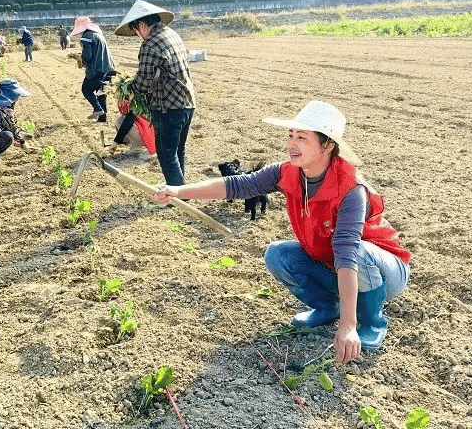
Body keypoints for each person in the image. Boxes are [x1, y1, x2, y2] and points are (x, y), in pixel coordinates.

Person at [150, 100, 411, 363]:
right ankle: (327, 307)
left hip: (384, 271)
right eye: (291, 135)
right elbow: (238, 185)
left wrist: (348, 326)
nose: (292, 144)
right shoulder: (286, 173)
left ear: (327, 145)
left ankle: (372, 322)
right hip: (333, 262)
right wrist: (179, 192)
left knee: (359, 252)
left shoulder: (351, 190)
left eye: (302, 138)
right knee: (278, 255)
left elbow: (347, 253)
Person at [114, 0, 195, 186]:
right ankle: (182, 191)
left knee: (166, 153)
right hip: (187, 102)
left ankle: (178, 194)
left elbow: (142, 83)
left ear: (142, 25)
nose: (137, 34)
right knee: (177, 150)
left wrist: (129, 89)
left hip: (168, 106)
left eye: (135, 29)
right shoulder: (172, 34)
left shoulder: (150, 44)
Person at [71, 16, 115, 123]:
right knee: (100, 91)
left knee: (86, 89)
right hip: (108, 68)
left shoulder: (87, 37)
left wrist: (80, 58)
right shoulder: (98, 35)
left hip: (97, 70)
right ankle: (102, 118)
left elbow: (88, 56)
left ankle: (98, 109)